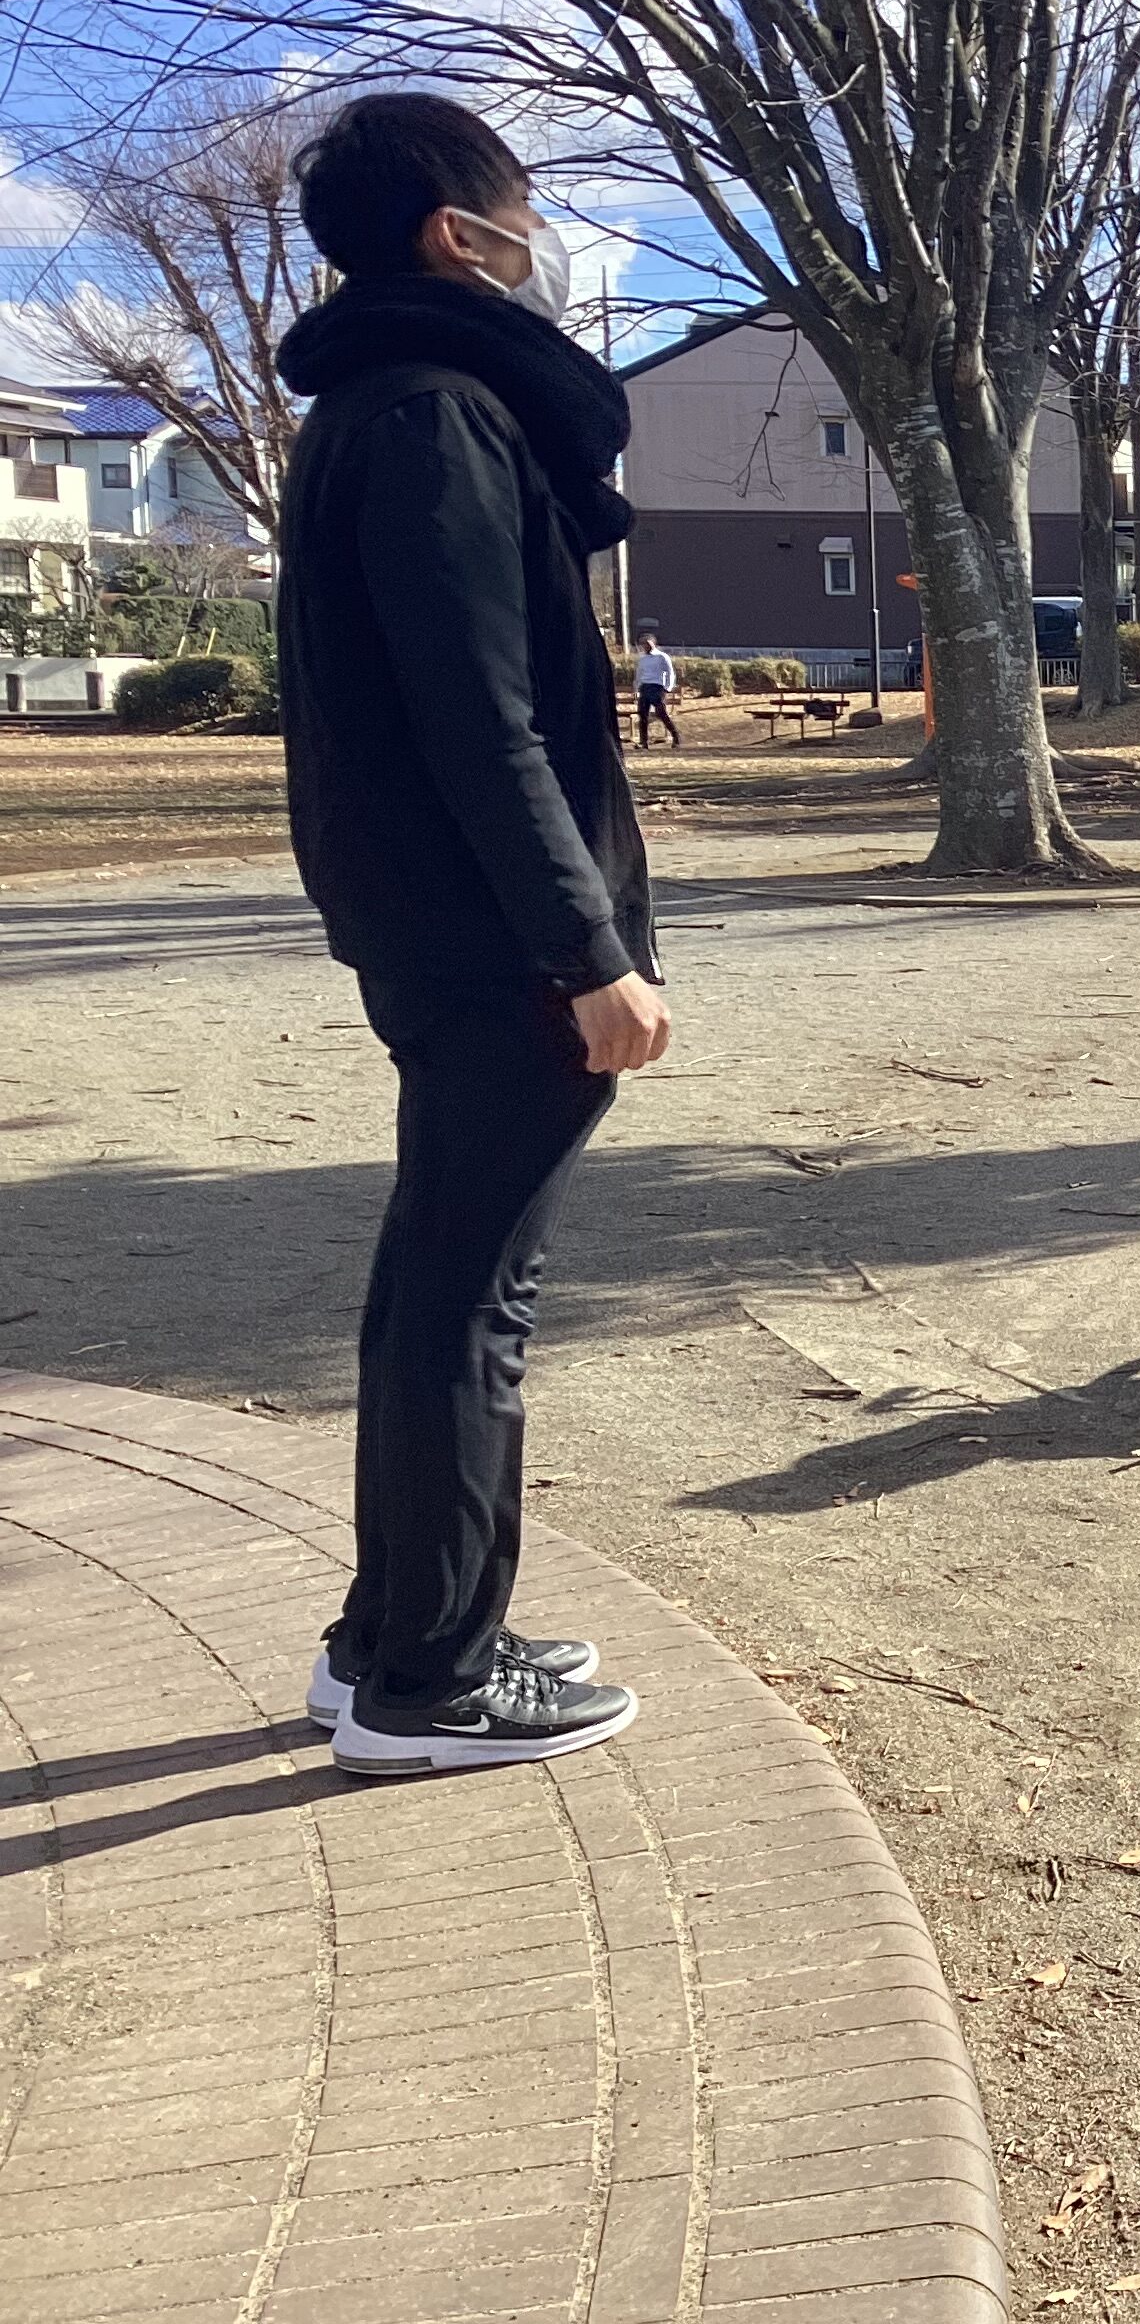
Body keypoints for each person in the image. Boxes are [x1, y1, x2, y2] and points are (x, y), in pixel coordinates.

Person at [274, 92, 664, 1775]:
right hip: (491, 936)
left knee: (438, 1274)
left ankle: (395, 1637)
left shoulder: (383, 403)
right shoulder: (436, 413)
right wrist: (589, 955)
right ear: (458, 234)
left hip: (440, 917)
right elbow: (479, 719)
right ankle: (430, 1679)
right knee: (467, 1296)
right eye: (521, 215)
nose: (538, 247)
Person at [632, 630, 681, 747]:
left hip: (657, 687)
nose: (646, 646)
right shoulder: (642, 659)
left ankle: (676, 736)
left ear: (653, 643)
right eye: (644, 644)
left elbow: (670, 672)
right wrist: (636, 688)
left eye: (648, 643)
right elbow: (638, 674)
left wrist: (668, 687)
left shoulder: (662, 657)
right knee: (643, 715)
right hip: (645, 687)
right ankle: (643, 742)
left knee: (661, 713)